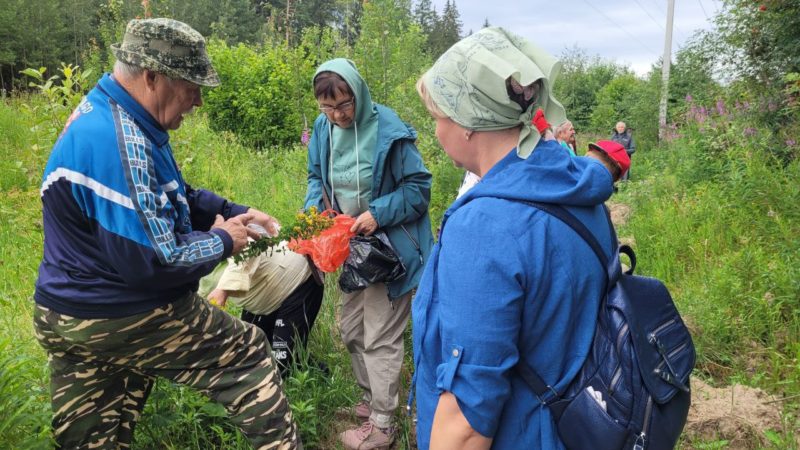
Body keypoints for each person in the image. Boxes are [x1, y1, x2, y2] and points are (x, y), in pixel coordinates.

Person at [33, 18, 301, 449]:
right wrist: (222, 239)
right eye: (191, 86)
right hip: (118, 310)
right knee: (248, 353)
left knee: (97, 427)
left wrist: (233, 211)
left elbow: (168, 195)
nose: (197, 101)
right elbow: (154, 263)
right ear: (152, 77)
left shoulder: (115, 115)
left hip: (66, 309)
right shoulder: (118, 140)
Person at [412, 27, 615, 449]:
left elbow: (467, 421)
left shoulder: (485, 227)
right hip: (574, 425)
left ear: (467, 123)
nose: (436, 131)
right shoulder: (573, 185)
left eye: (437, 117)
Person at [304, 58, 433, 449]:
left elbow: (418, 189)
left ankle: (383, 424)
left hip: (391, 250)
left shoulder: (388, 131)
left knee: (379, 335)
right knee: (351, 330)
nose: (338, 115)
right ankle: (371, 397)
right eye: (327, 108)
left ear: (358, 94)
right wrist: (315, 212)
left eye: (344, 105)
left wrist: (377, 213)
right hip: (354, 250)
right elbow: (316, 178)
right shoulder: (323, 129)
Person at [199, 239, 324, 377]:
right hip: (264, 296)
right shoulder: (184, 263)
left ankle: (320, 377)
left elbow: (248, 246)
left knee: (282, 362)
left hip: (296, 282)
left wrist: (223, 289)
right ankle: (309, 368)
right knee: (253, 352)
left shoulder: (212, 231)